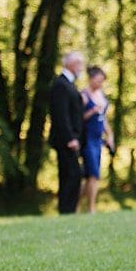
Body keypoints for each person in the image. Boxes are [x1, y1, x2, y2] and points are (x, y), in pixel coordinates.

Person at [48, 51, 87, 215]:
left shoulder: (69, 85)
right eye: (79, 64)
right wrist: (70, 138)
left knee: (72, 174)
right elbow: (60, 115)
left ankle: (69, 210)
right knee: (71, 175)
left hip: (72, 139)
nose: (81, 68)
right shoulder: (60, 84)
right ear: (71, 64)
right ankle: (66, 210)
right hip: (65, 140)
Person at [79, 65, 115, 214]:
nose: (100, 84)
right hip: (87, 139)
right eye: (98, 81)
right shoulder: (83, 96)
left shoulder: (101, 95)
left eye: (102, 81)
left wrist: (110, 135)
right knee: (94, 174)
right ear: (91, 79)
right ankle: (91, 208)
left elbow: (103, 119)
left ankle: (75, 205)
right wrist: (92, 111)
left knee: (89, 177)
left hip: (98, 140)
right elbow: (78, 119)